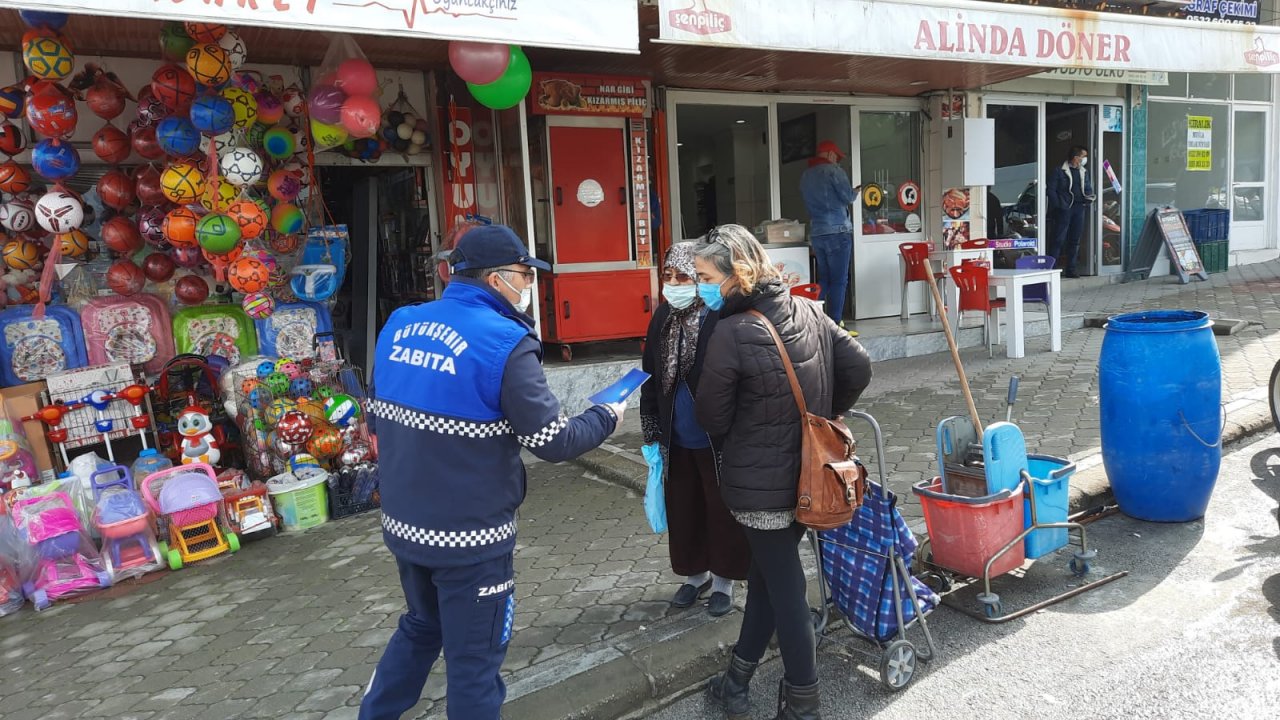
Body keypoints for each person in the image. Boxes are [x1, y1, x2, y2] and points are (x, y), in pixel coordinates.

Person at [359, 224, 626, 720]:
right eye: (526, 276)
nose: (529, 287)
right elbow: (552, 440)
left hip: (404, 524)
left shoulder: (400, 322)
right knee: (474, 664)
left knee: (420, 626)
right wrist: (606, 415)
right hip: (469, 539)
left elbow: (380, 411)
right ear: (497, 278)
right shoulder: (505, 340)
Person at [692, 225, 872, 720]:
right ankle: (736, 680)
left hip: (761, 488)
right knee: (768, 579)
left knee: (787, 590)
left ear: (739, 274)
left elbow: (712, 417)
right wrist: (824, 417)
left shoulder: (730, 332)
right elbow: (859, 364)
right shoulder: (810, 310)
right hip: (810, 479)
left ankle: (803, 704)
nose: (700, 286)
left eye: (706, 277)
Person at [639, 242, 750, 618]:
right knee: (684, 508)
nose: (674, 284)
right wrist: (651, 434)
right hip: (676, 435)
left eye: (684, 277)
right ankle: (694, 575)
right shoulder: (661, 319)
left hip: (715, 438)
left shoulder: (718, 317)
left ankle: (723, 581)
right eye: (668, 276)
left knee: (720, 510)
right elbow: (649, 379)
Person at [799, 140, 859, 326]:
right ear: (830, 154)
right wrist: (855, 191)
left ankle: (808, 314)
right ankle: (835, 322)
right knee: (839, 280)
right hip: (838, 231)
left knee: (824, 278)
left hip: (817, 233)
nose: (837, 159)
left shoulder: (806, 176)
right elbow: (847, 197)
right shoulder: (834, 171)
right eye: (836, 156)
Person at [1046, 145, 1094, 278]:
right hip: (1064, 209)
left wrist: (1089, 197)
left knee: (1075, 240)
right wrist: (1059, 205)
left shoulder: (1084, 171)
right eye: (1084, 156)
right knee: (1058, 239)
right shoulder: (1059, 171)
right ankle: (1052, 268)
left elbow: (1088, 188)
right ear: (1076, 157)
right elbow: (1051, 190)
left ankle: (1071, 269)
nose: (1085, 159)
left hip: (1079, 208)